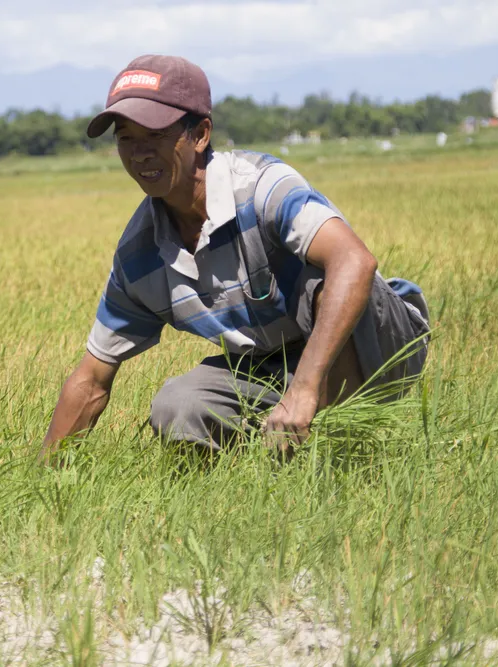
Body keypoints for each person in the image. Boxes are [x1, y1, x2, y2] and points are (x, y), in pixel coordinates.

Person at [40, 54, 429, 461]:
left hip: (382, 341)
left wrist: (303, 390)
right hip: (273, 362)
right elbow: (91, 379)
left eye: (154, 135)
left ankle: (340, 452)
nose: (139, 154)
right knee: (178, 405)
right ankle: (252, 480)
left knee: (323, 281)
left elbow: (355, 263)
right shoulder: (140, 256)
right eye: (126, 139)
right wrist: (44, 482)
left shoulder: (261, 187)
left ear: (201, 134)